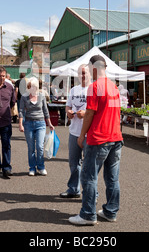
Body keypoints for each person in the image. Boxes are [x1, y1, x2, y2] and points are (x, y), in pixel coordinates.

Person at [69, 55, 123, 226]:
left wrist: (81, 135)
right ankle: (110, 211)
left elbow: (90, 113)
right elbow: (114, 113)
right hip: (115, 137)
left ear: (93, 67)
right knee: (112, 178)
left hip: (99, 138)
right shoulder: (114, 87)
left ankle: (87, 214)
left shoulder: (95, 86)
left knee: (89, 177)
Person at [59, 65, 91, 198]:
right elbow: (68, 105)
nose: (82, 76)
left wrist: (86, 113)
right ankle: (73, 189)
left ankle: (90, 194)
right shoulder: (73, 90)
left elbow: (97, 110)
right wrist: (69, 112)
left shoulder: (93, 89)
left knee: (89, 166)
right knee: (74, 163)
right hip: (74, 131)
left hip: (89, 133)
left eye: (84, 73)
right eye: (79, 73)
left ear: (90, 73)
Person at [18, 76, 54, 176]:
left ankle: (41, 167)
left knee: (40, 146)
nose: (31, 89)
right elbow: (21, 111)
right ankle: (32, 167)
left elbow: (46, 111)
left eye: (33, 87)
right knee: (31, 147)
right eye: (30, 87)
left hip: (40, 124)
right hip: (28, 123)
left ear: (37, 87)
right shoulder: (24, 97)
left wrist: (49, 123)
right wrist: (20, 124)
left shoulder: (41, 96)